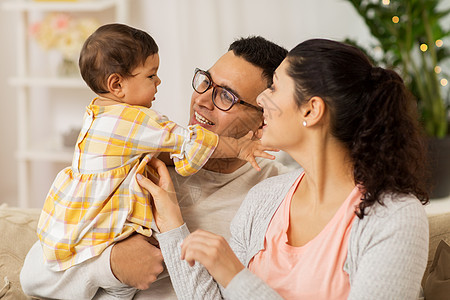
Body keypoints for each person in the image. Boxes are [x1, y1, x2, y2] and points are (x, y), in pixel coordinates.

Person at [137, 38, 431, 299]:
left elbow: (236, 285)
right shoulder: (264, 199)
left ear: (311, 110)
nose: (262, 99)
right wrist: (173, 226)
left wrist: (235, 276)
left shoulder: (394, 216)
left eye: (274, 88)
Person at [20, 36, 290, 299]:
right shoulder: (140, 159)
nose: (203, 100)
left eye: (226, 96)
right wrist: (111, 266)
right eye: (206, 82)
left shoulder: (277, 196)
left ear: (263, 120)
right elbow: (33, 275)